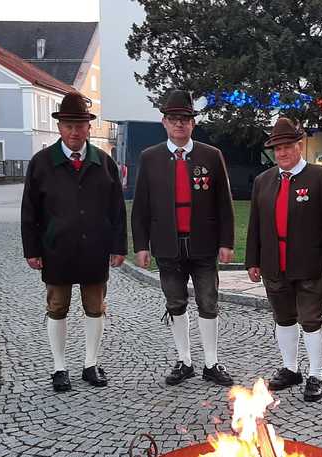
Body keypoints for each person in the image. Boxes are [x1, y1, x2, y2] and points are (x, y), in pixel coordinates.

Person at [21, 92, 127, 392]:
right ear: (59, 127)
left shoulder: (104, 163)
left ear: (89, 127)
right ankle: (59, 367)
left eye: (80, 125)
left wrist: (119, 246)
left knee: (95, 307)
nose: (74, 132)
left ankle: (91, 364)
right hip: (56, 248)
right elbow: (29, 211)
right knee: (57, 307)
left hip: (95, 248)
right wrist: (32, 249)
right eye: (68, 125)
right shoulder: (42, 163)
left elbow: (117, 210)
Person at [131, 90, 235, 387]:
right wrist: (141, 245)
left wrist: (226, 242)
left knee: (208, 303)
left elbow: (224, 203)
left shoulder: (211, 156)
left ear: (193, 123)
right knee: (175, 303)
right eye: (173, 118)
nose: (179, 124)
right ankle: (184, 360)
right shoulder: (150, 157)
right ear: (164, 122)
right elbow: (141, 206)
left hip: (203, 243)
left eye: (185, 119)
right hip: (167, 244)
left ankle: (211, 363)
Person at [245, 118, 322, 402]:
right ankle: (290, 369)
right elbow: (255, 225)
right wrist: (253, 260)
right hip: (273, 264)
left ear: (300, 145)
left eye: (287, 146)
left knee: (311, 319)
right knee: (283, 318)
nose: (282, 153)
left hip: (311, 264)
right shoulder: (263, 181)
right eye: (277, 148)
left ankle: (316, 374)